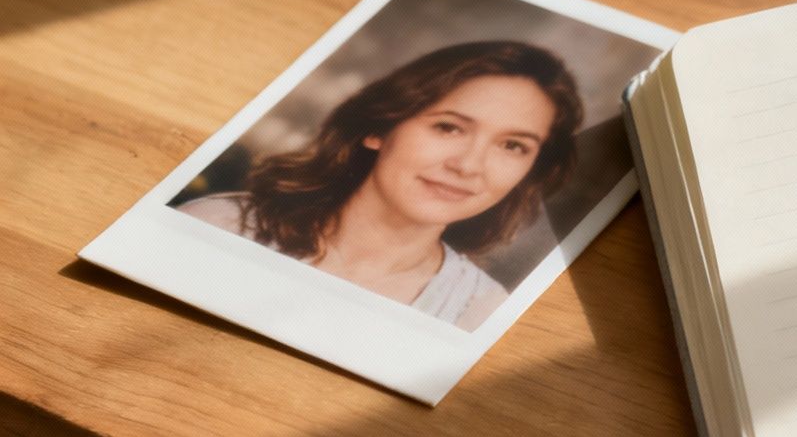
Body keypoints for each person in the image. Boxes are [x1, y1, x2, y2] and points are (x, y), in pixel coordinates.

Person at [178, 40, 584, 330]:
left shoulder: (483, 316)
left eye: (512, 146)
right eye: (449, 127)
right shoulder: (217, 226)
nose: (469, 166)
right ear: (379, 127)